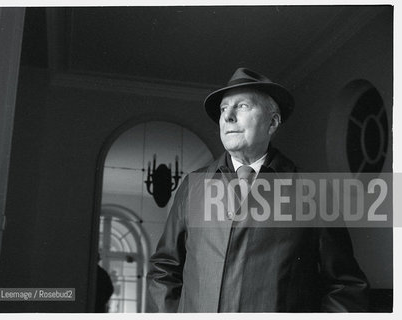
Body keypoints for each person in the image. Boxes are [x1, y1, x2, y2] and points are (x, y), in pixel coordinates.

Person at [146, 67, 369, 312]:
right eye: (223, 109)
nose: (228, 116)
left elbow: (345, 287)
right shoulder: (192, 186)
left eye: (242, 106)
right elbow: (164, 270)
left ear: (272, 122)